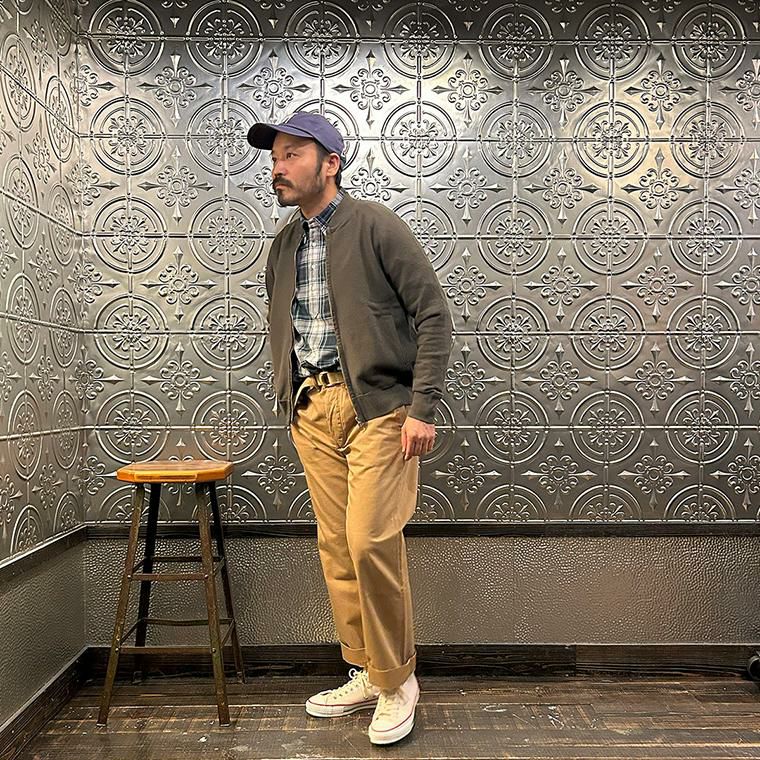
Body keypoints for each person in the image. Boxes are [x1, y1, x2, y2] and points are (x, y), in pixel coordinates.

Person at [247, 111, 453, 746]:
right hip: (313, 409)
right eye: (274, 157)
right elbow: (288, 326)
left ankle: (398, 681)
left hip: (379, 411)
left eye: (291, 154)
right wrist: (290, 398)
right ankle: (366, 670)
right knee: (337, 548)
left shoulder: (375, 225)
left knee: (369, 542)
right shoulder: (284, 245)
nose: (277, 167)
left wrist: (422, 407)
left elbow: (432, 314)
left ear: (330, 163)